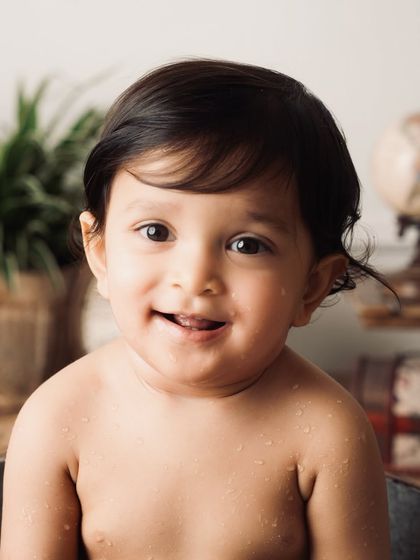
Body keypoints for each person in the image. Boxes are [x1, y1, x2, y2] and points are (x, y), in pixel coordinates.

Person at [0, 59, 391, 559]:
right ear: (99, 252)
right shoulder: (59, 418)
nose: (195, 277)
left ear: (311, 287)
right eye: (156, 232)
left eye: (247, 244)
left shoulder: (327, 432)